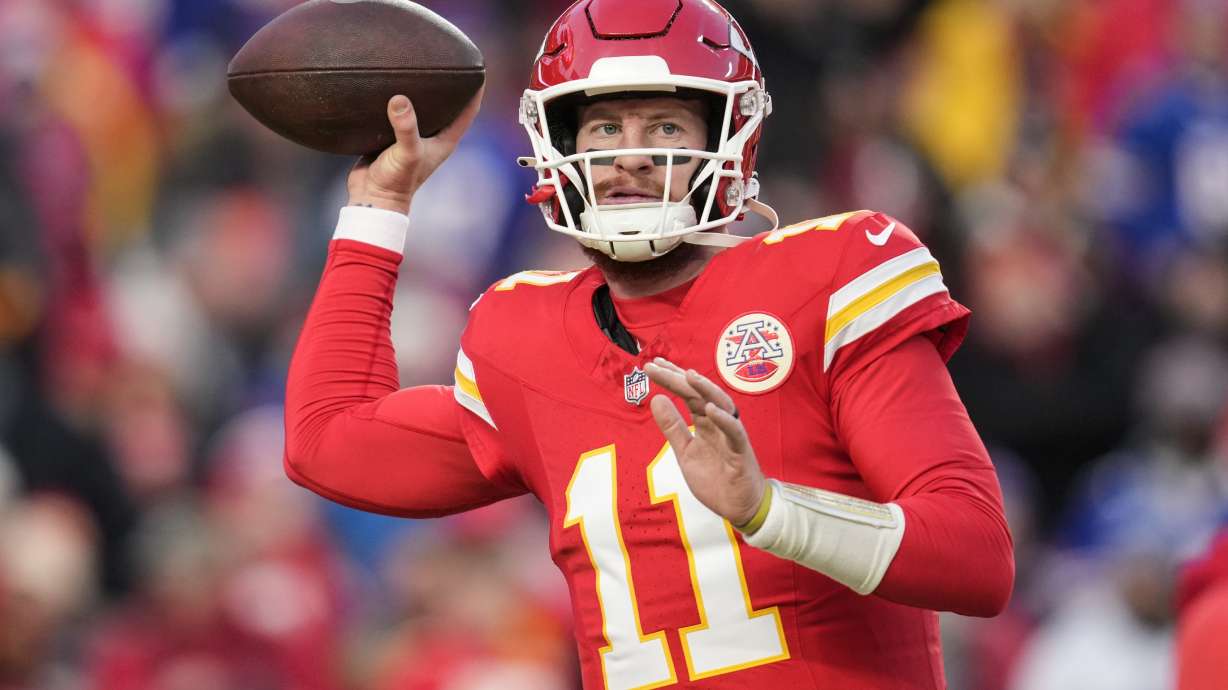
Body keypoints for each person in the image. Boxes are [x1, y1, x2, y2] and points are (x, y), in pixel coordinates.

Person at [284, 1, 1014, 687]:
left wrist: (769, 511)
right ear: (558, 145)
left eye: (665, 126)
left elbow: (977, 557)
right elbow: (326, 443)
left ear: (728, 138)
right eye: (603, 129)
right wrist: (378, 208)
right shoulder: (521, 336)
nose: (629, 156)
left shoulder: (830, 277)